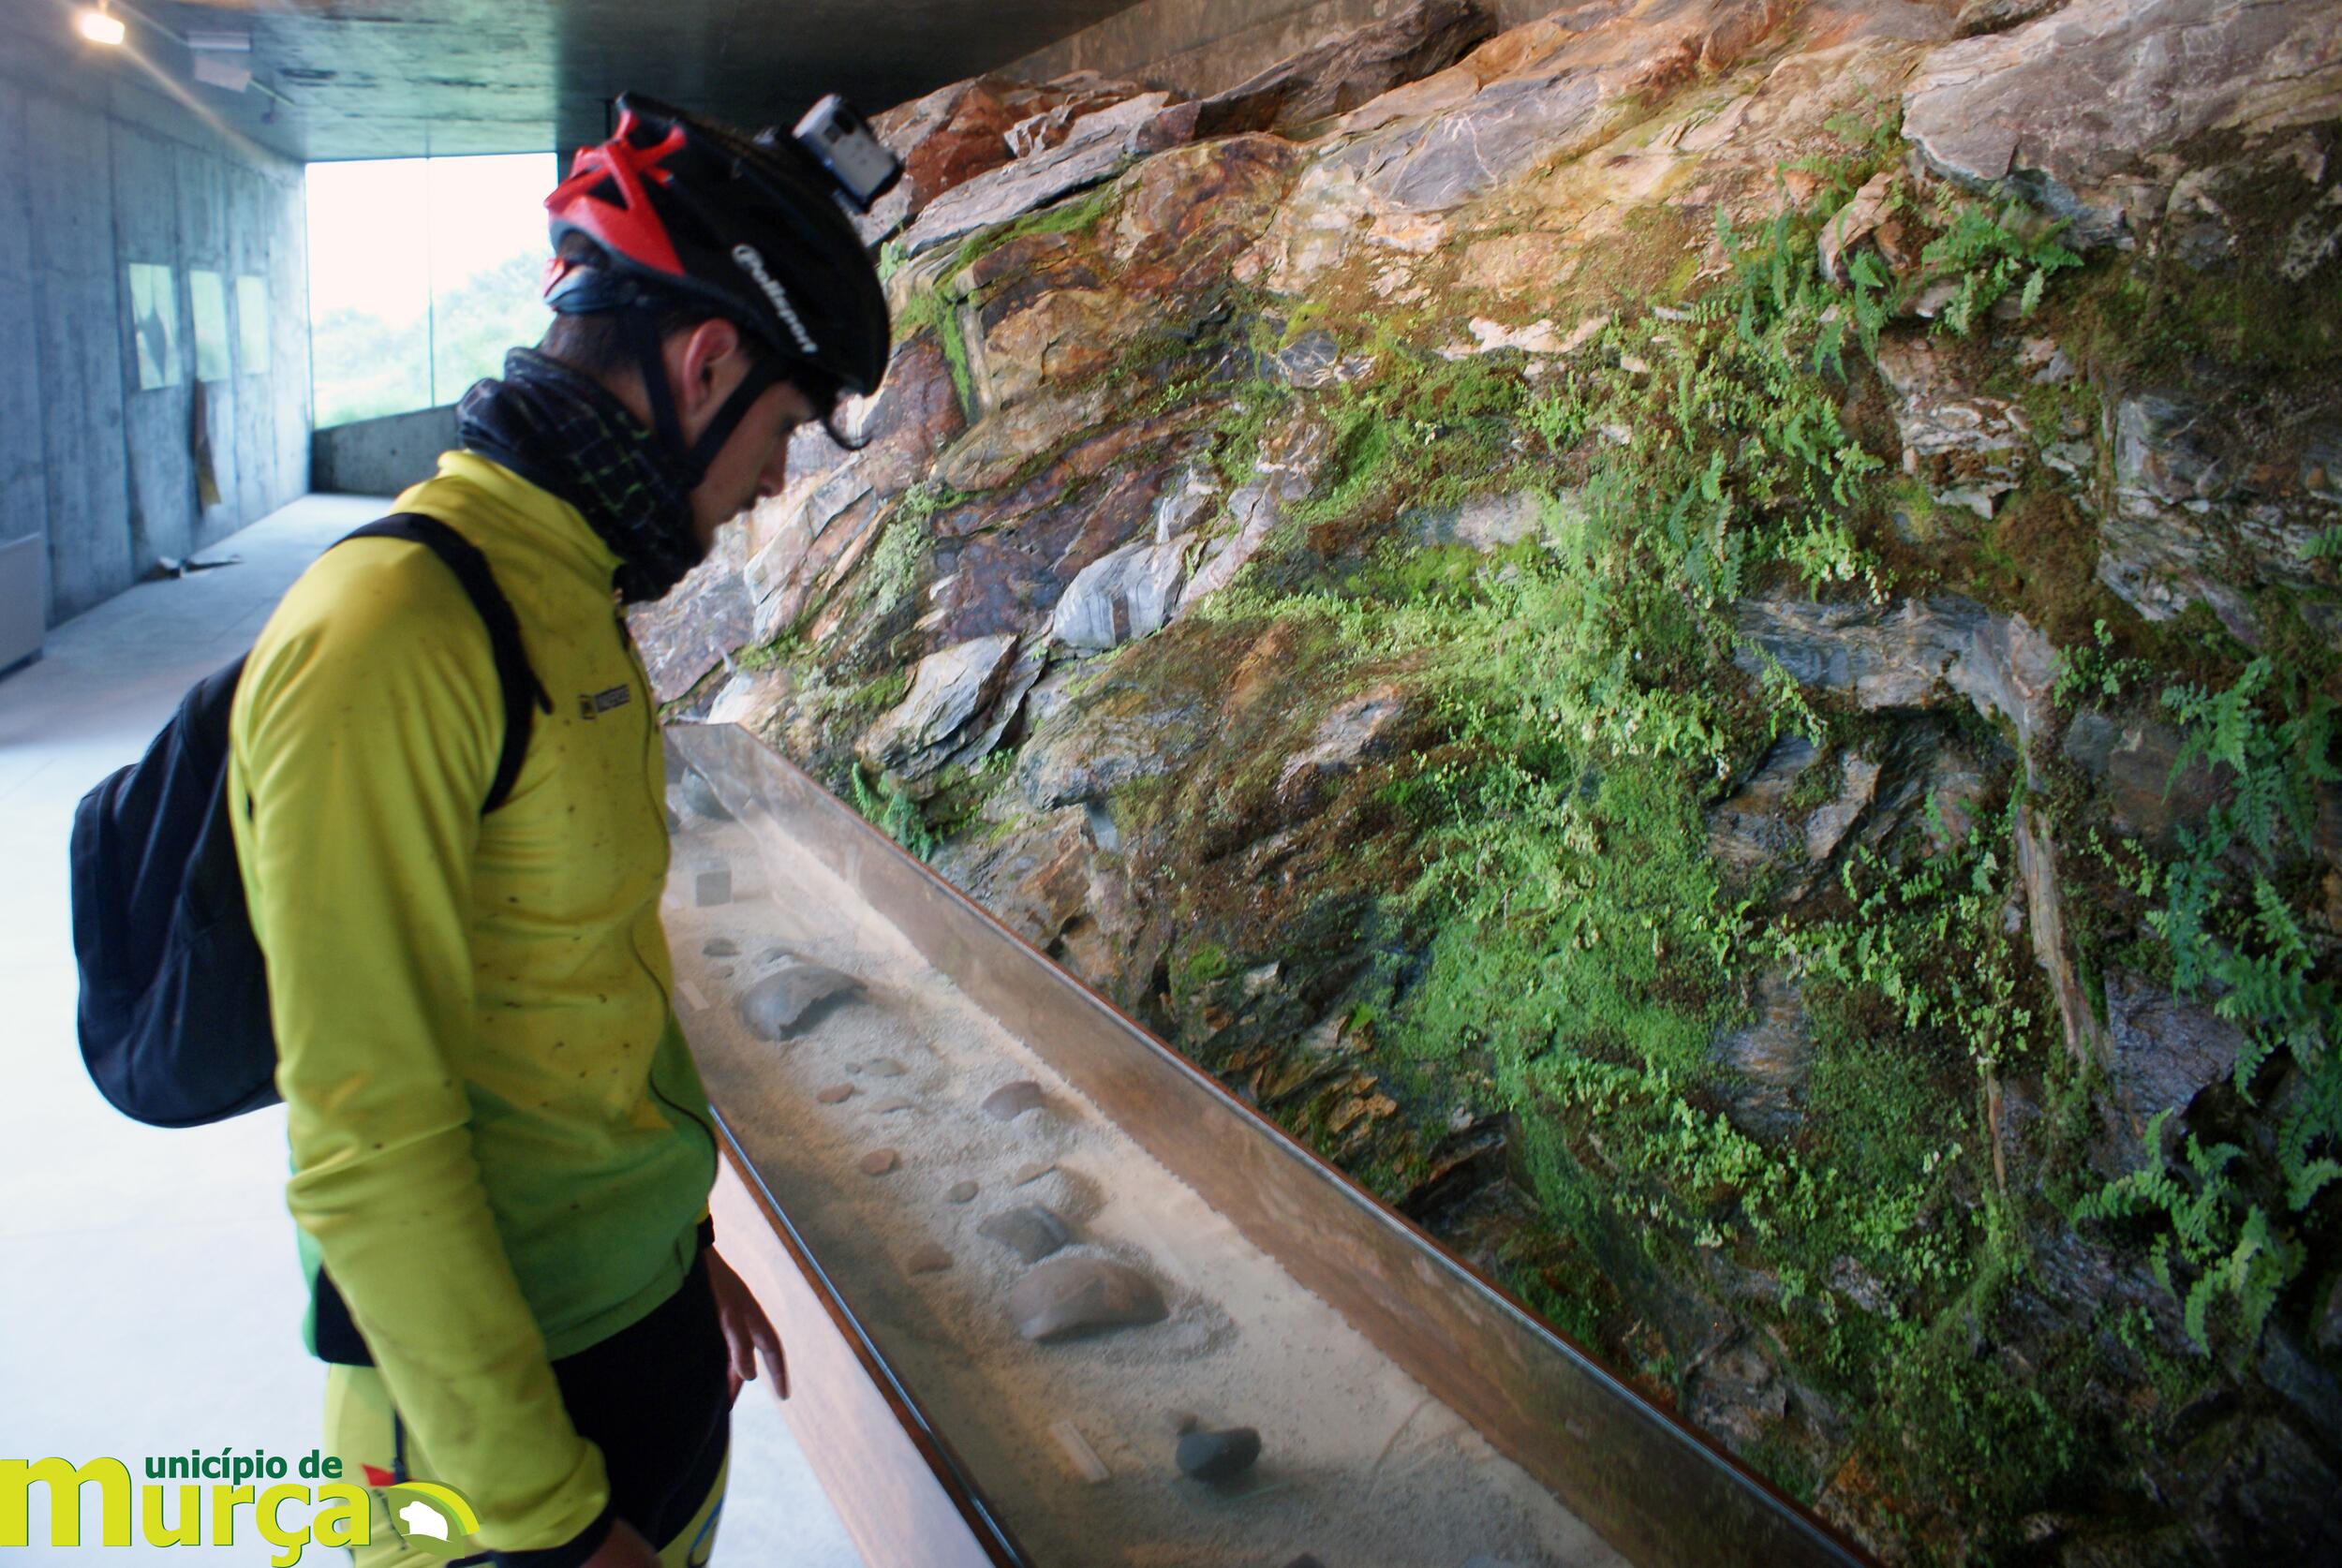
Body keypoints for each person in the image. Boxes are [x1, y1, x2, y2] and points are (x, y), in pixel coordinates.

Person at [227, 94, 890, 1568]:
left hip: (647, 1351)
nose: (778, 481)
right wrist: (544, 1527)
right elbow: (363, 1141)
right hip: (487, 1461)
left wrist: (675, 1250)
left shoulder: (573, 591)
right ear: (704, 363)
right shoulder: (393, 629)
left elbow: (590, 976)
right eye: (785, 426)